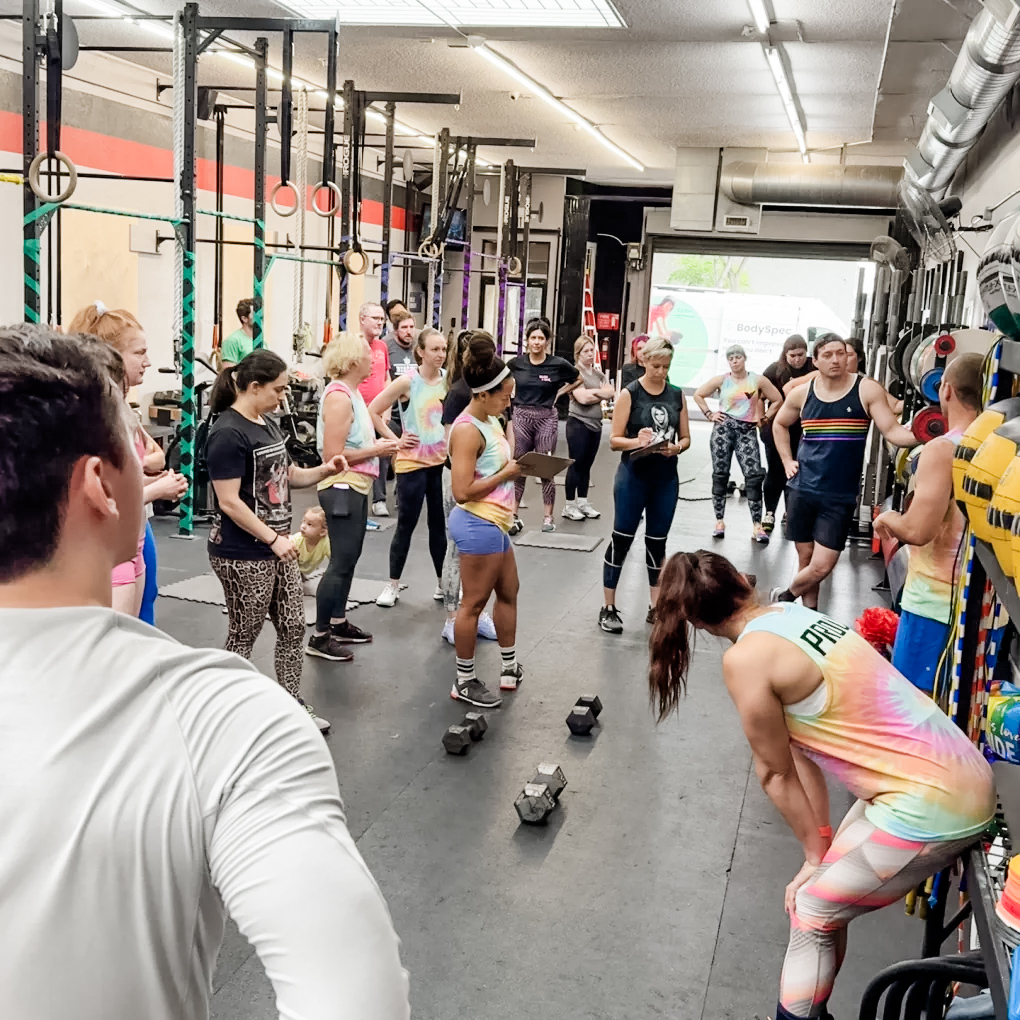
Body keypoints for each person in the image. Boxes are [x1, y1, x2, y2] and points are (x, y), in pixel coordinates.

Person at [0, 325, 411, 1020]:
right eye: (131, 452)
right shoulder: (225, 720)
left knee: (286, 629)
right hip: (244, 563)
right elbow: (357, 1001)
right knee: (247, 634)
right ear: (101, 485)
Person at [647, 549, 994, 1020]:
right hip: (947, 776)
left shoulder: (746, 659)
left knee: (813, 909)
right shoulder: (790, 615)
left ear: (697, 622)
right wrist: (820, 848)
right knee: (819, 900)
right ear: (742, 583)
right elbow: (797, 755)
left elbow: (774, 773)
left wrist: (815, 858)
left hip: (933, 802)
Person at [205, 349, 347, 733]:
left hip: (275, 546)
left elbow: (288, 476)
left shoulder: (265, 422)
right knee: (244, 634)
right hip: (241, 553)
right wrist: (272, 539)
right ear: (254, 387)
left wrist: (325, 470)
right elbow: (229, 502)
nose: (283, 397)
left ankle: (290, 704)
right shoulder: (227, 433)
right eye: (278, 389)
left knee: (293, 627)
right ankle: (222, 711)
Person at [771, 334, 918, 609]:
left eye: (841, 353)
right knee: (806, 559)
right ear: (816, 361)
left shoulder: (866, 390)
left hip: (839, 494)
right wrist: (787, 461)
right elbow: (779, 424)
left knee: (822, 565)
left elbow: (893, 431)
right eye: (828, 355)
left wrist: (928, 434)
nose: (836, 359)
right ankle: (809, 614)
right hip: (802, 488)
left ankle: (784, 598)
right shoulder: (802, 393)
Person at [68, 302, 188, 618]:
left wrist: (151, 480)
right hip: (107, 547)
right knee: (116, 637)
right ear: (111, 356)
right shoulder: (94, 417)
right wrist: (156, 490)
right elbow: (97, 497)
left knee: (138, 627)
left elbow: (133, 471)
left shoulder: (122, 411)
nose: (148, 361)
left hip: (133, 536)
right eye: (140, 353)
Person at [874, 354, 983, 693]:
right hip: (983, 609)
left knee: (915, 706)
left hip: (934, 605)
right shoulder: (1000, 444)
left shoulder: (943, 449)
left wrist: (888, 518)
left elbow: (918, 531)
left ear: (945, 389)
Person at [310, 332, 401, 660]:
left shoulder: (353, 393)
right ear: (351, 361)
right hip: (341, 486)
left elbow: (355, 442)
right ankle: (319, 637)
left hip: (356, 485)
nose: (373, 359)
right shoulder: (339, 397)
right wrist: (376, 450)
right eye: (367, 355)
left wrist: (377, 446)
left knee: (349, 559)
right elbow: (333, 455)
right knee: (340, 562)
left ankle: (337, 622)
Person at [448, 336, 526, 707]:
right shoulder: (467, 430)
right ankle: (464, 680)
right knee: (473, 604)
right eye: (504, 396)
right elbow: (462, 491)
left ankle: (509, 667)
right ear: (482, 394)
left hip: (497, 523)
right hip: (477, 522)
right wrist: (505, 474)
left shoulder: (491, 420)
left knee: (509, 590)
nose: (508, 402)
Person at [600, 337, 691, 634]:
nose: (661, 372)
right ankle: (609, 606)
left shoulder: (676, 395)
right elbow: (614, 440)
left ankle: (656, 606)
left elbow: (686, 437)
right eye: (656, 366)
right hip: (633, 477)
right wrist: (636, 442)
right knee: (622, 538)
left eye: (666, 367)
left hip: (665, 478)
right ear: (644, 361)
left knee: (657, 542)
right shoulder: (630, 393)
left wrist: (677, 448)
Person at [369, 327, 450, 608]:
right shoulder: (407, 382)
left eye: (443, 349)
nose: (440, 354)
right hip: (411, 464)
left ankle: (442, 583)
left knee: (439, 526)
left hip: (441, 464)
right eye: (435, 349)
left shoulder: (449, 381)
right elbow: (373, 411)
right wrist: (396, 441)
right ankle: (392, 585)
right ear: (421, 352)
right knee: (405, 524)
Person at [439, 329, 499, 645]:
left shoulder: (490, 390)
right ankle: (452, 619)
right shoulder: (459, 393)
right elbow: (451, 443)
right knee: (457, 546)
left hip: (486, 480)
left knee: (481, 550)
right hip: (459, 479)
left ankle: (476, 612)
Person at [694, 344, 782, 544]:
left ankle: (757, 525)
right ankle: (719, 521)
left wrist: (765, 418)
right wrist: (709, 414)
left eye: (738, 357)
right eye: (731, 358)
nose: (734, 361)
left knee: (753, 477)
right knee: (720, 475)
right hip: (723, 429)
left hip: (746, 430)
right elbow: (699, 394)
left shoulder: (757, 380)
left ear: (744, 358)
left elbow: (777, 399)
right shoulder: (722, 380)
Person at [507, 318, 580, 533]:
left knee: (546, 467)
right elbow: (503, 379)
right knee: (519, 465)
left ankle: (548, 517)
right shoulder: (517, 364)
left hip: (546, 416)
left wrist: (559, 393)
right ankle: (513, 515)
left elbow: (578, 378)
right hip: (521, 415)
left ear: (547, 341)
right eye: (533, 338)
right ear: (527, 340)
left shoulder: (557, 364)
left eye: (541, 338)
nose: (537, 342)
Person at [761, 335, 812, 534]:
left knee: (797, 472)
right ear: (785, 354)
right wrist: (761, 420)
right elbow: (757, 395)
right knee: (775, 472)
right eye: (793, 356)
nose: (797, 359)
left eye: (801, 355)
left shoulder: (813, 368)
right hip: (776, 429)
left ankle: (790, 511)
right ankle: (769, 512)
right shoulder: (774, 370)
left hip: (803, 431)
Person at [563, 335, 614, 521]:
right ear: (578, 354)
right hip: (578, 423)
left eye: (592, 350)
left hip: (595, 424)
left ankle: (583, 502)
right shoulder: (574, 373)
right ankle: (569, 505)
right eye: (586, 351)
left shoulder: (599, 375)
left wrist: (592, 392)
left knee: (587, 466)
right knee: (576, 464)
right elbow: (582, 399)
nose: (591, 354)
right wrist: (600, 393)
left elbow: (610, 393)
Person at [356, 301, 392, 517]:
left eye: (382, 319)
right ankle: (356, 496)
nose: (380, 323)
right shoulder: (352, 345)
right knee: (359, 452)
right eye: (375, 318)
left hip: (378, 411)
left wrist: (386, 408)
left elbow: (386, 378)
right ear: (362, 319)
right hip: (357, 410)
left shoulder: (382, 346)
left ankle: (379, 500)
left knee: (382, 454)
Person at [292, 506, 331, 596]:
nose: (303, 526)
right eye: (303, 521)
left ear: (322, 532)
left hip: (303, 569)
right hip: (292, 567)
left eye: (309, 524)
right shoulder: (297, 540)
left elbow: (334, 561)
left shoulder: (325, 542)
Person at [220, 297, 255, 368]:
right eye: (255, 314)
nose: (260, 317)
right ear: (244, 318)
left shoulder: (261, 340)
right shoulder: (232, 341)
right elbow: (228, 371)